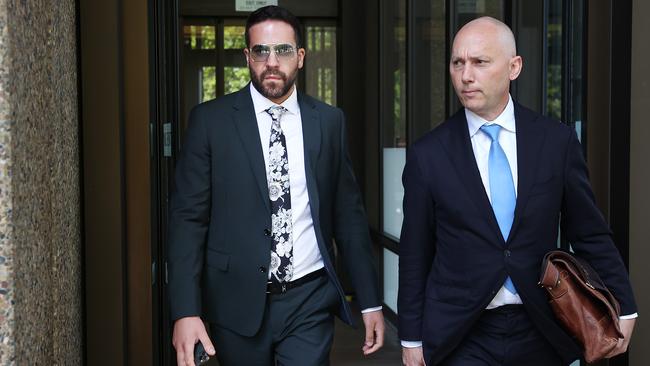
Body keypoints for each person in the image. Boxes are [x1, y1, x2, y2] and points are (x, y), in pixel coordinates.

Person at [398, 16, 637, 366]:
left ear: (514, 67)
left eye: (480, 62)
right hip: (462, 333)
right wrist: (410, 338)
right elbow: (415, 253)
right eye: (457, 63)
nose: (465, 76)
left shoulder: (556, 142)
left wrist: (625, 306)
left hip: (543, 325)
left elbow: (589, 232)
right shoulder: (428, 155)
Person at [168, 5, 384, 366]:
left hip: (309, 297)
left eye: (283, 50)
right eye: (261, 51)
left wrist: (371, 301)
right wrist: (185, 311)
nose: (272, 61)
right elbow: (188, 220)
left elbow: (348, 215)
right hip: (234, 300)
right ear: (247, 57)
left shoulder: (329, 122)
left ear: (300, 56)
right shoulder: (210, 122)